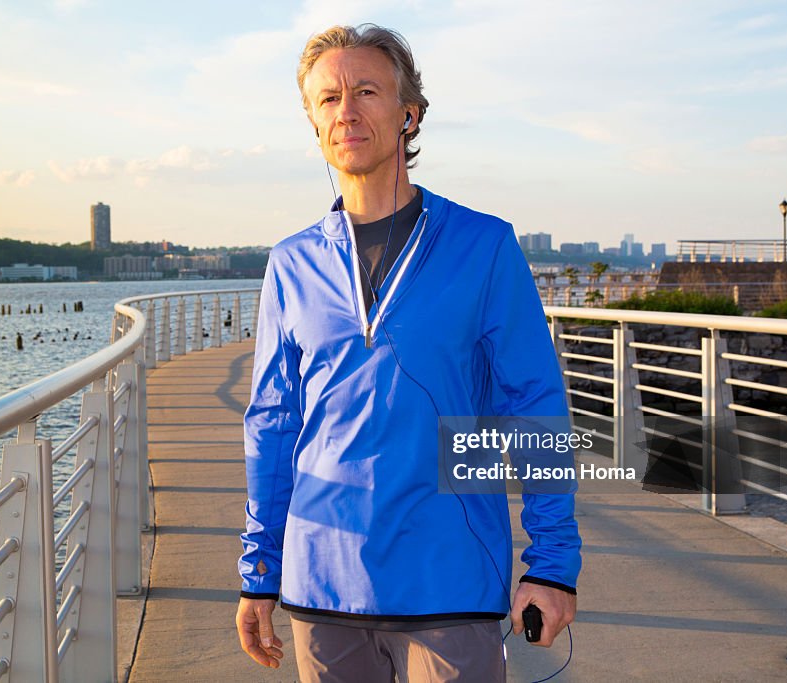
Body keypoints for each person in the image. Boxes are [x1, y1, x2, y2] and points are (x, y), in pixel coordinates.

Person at [235, 23, 581, 682]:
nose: (347, 110)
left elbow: (533, 405)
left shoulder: (483, 246)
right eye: (329, 98)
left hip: (448, 579)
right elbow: (273, 427)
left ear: (409, 114)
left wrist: (552, 563)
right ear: (313, 121)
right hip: (323, 584)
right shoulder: (291, 264)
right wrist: (259, 572)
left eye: (367, 90)